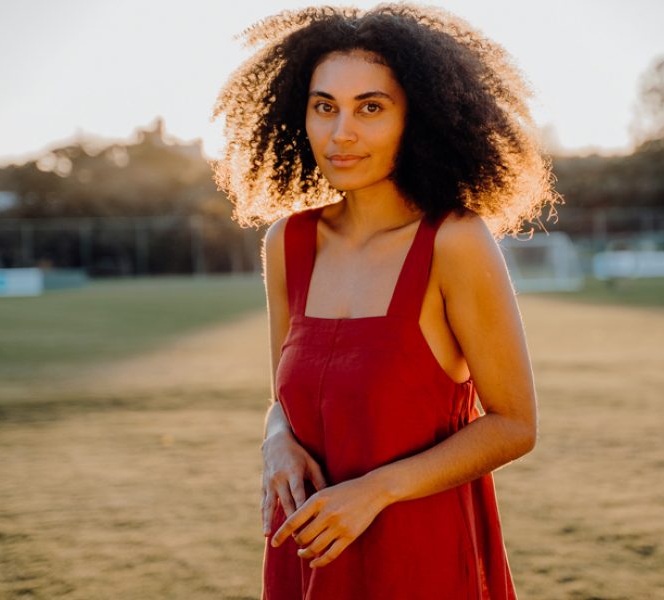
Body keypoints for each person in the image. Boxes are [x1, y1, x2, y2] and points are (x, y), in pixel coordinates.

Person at [210, 4, 560, 598]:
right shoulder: (287, 243)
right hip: (311, 555)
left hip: (421, 558)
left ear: (416, 119)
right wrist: (276, 444)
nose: (340, 133)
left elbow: (513, 425)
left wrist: (375, 490)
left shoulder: (454, 240)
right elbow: (283, 402)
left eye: (370, 108)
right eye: (325, 107)